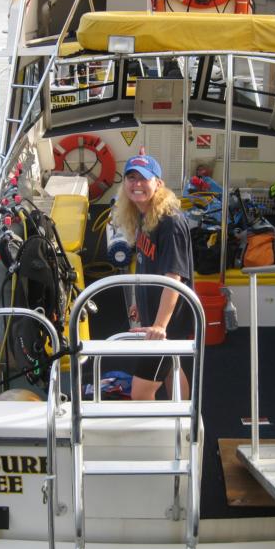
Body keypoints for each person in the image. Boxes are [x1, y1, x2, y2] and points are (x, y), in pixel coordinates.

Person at [113, 153, 194, 400]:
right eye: (131, 177)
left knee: (141, 389)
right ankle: (183, 422)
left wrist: (160, 325)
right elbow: (145, 263)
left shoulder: (170, 223)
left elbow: (174, 278)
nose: (137, 184)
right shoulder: (142, 213)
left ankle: (152, 434)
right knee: (171, 368)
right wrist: (139, 302)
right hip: (154, 310)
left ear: (158, 183)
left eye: (144, 179)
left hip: (170, 319)